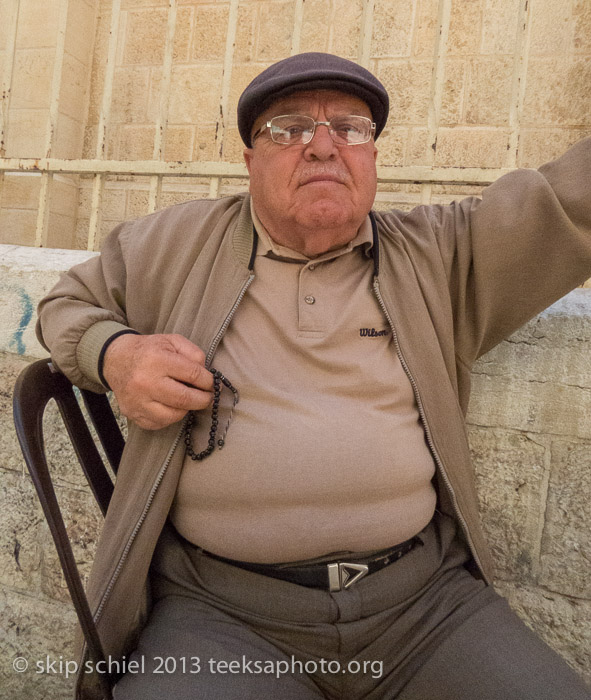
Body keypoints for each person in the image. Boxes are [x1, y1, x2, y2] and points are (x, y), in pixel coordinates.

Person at [36, 52, 591, 700]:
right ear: (250, 161)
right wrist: (115, 354)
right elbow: (65, 304)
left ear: (373, 159)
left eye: (350, 128)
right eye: (289, 127)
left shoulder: (438, 254)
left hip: (423, 610)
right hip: (223, 618)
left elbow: (564, 205)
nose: (323, 146)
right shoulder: (171, 244)